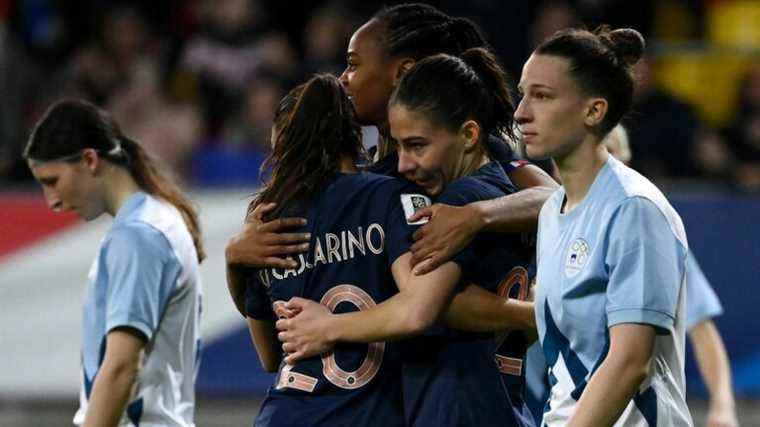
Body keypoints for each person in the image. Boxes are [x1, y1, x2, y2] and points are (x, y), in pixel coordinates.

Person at [277, 48, 535, 427]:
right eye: (398, 146)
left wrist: (327, 326)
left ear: (468, 135)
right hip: (503, 406)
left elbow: (426, 307)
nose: (402, 164)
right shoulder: (503, 198)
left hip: (455, 410)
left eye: (417, 146)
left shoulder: (456, 204)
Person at [225, 2, 557, 275]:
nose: (343, 79)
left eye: (354, 65)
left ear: (402, 72)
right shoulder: (360, 174)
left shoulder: (465, 155)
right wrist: (236, 256)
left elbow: (554, 200)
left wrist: (476, 216)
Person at [230, 74, 467, 427]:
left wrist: (234, 263)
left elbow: (269, 355)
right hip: (359, 414)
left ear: (282, 144)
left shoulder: (267, 220)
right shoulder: (390, 196)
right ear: (355, 135)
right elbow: (417, 309)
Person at [512, 26, 693, 425]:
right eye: (523, 93)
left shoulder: (634, 208)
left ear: (594, 111)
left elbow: (631, 362)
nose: (521, 112)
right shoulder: (552, 210)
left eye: (542, 96)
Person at [24, 99, 204, 427]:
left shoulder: (138, 236)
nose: (52, 201)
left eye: (52, 181)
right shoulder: (156, 221)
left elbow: (122, 367)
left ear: (90, 159)